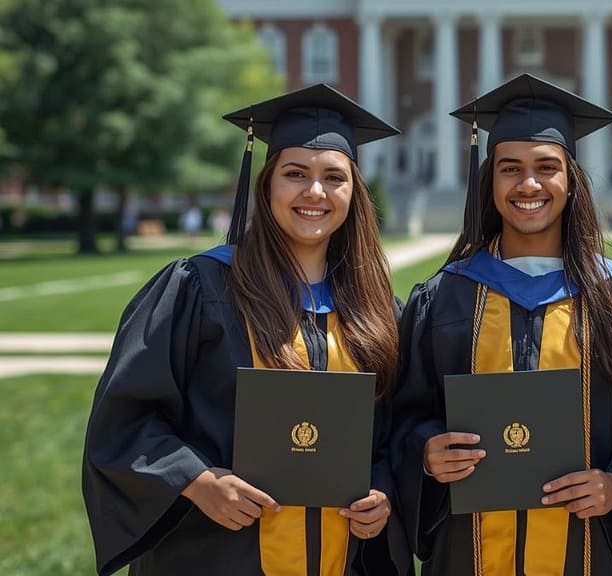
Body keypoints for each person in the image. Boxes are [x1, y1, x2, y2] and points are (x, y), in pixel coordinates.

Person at [82, 84, 411, 576]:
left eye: (334, 177)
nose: (314, 192)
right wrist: (197, 480)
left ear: (353, 193)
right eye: (295, 174)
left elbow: (393, 434)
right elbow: (126, 417)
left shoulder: (378, 308)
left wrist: (383, 492)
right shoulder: (201, 287)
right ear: (267, 185)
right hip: (214, 554)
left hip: (339, 557)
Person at [390, 74, 612, 575]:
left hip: (588, 552)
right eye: (510, 168)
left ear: (571, 181)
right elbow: (403, 418)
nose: (528, 184)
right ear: (489, 182)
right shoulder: (444, 297)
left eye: (546, 168)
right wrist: (427, 456)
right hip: (469, 554)